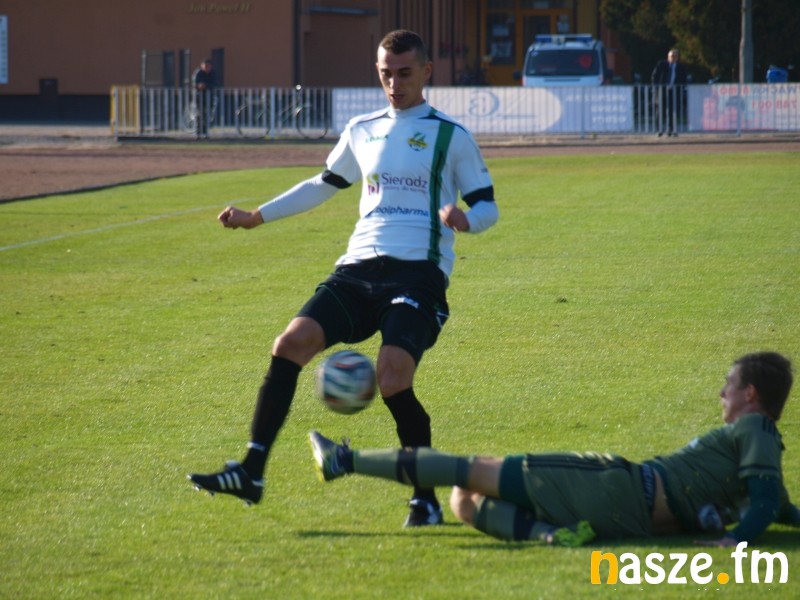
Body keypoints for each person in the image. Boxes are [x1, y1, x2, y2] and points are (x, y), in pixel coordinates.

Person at [189, 30, 499, 527]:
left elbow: (487, 206)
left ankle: (424, 499)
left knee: (392, 377)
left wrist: (467, 219)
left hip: (418, 275)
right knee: (289, 343)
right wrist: (256, 216)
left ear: (426, 72)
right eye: (385, 74)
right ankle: (251, 471)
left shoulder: (451, 135)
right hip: (357, 269)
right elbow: (323, 184)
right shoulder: (361, 129)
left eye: (404, 73)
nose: (394, 84)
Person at [310, 352, 799, 546]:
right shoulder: (763, 457)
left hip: (618, 486)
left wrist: (734, 541)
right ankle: (551, 535)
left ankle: (343, 460)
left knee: (467, 469)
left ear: (751, 394)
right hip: (627, 519)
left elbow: (762, 505)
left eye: (729, 384)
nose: (722, 392)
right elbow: (777, 507)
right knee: (464, 501)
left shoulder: (754, 427)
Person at [651, 48, 688, 137]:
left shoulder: (680, 67)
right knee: (660, 111)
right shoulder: (661, 64)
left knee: (672, 111)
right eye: (672, 56)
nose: (673, 58)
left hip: (673, 91)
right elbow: (654, 76)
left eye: (675, 56)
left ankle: (670, 129)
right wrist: (657, 87)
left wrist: (681, 89)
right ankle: (659, 130)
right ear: (668, 57)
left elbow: (683, 79)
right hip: (662, 91)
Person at [192, 58, 215, 139]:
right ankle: (198, 133)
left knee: (207, 115)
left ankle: (205, 132)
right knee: (199, 115)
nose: (207, 68)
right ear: (202, 66)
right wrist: (199, 86)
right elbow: (195, 84)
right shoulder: (198, 73)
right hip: (199, 97)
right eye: (205, 66)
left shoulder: (213, 73)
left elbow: (215, 83)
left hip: (209, 97)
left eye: (208, 66)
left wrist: (206, 86)